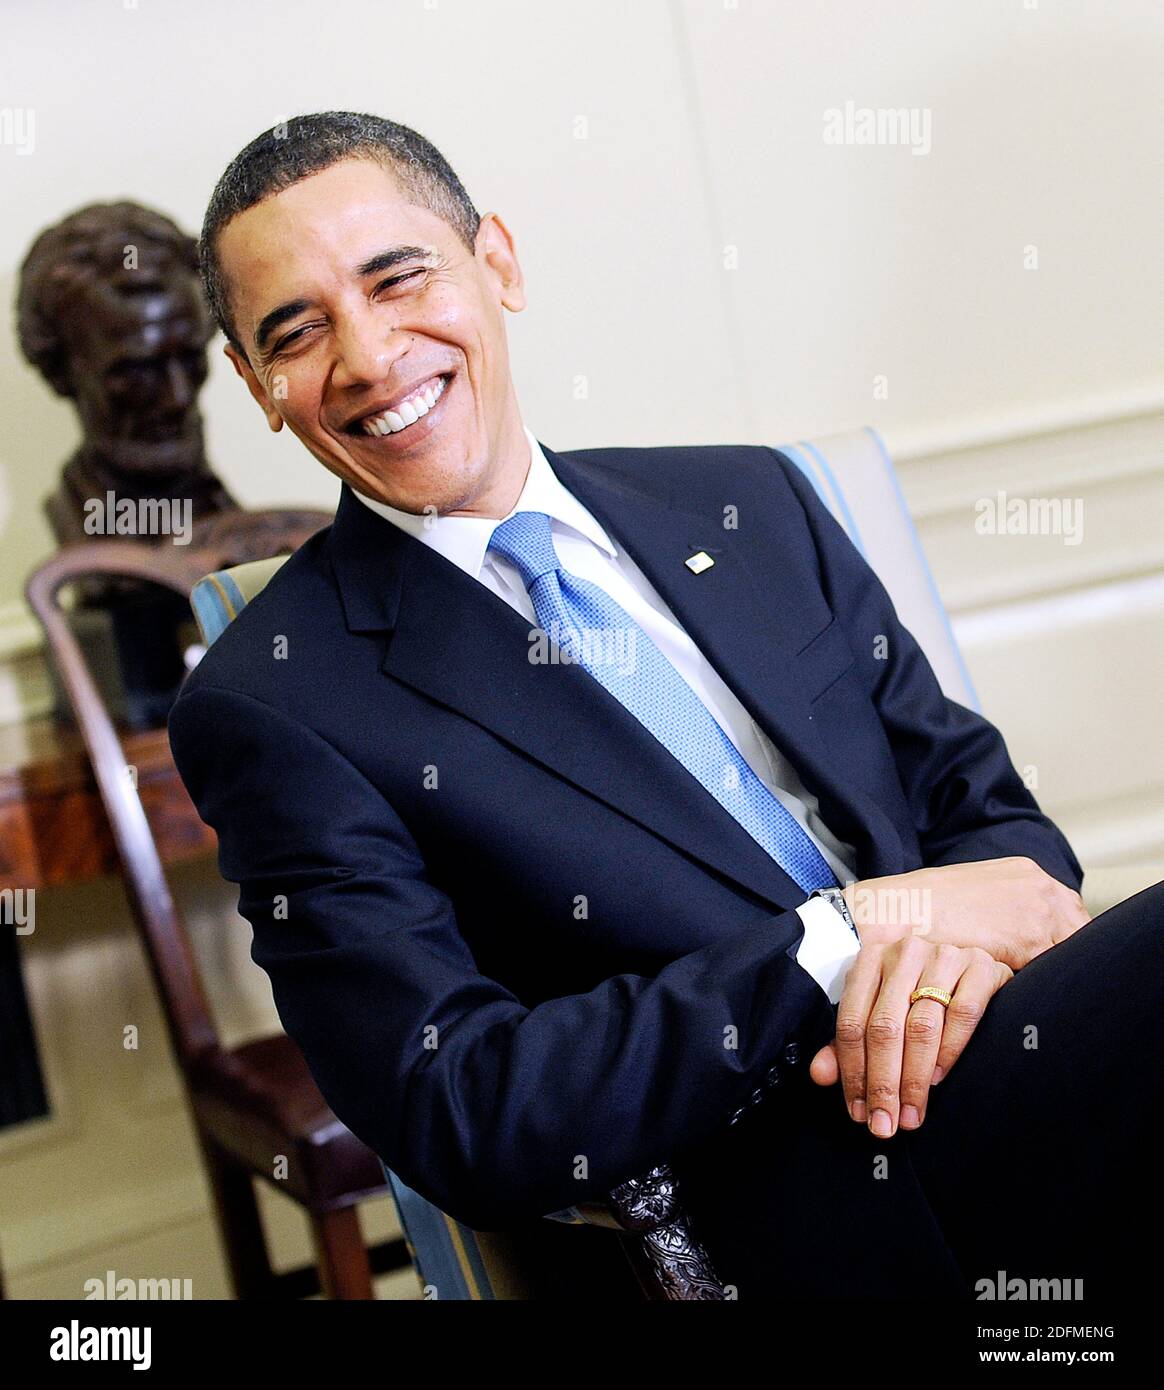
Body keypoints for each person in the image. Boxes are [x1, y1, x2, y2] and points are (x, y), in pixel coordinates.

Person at [168, 110, 1162, 1298]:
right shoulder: (276, 703)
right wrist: (843, 942)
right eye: (299, 330)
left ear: (498, 263)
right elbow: (463, 1106)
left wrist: (938, 976)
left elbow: (994, 827)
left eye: (399, 278)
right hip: (782, 1195)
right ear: (257, 384)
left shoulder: (749, 503)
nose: (372, 357)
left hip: (1006, 1049)